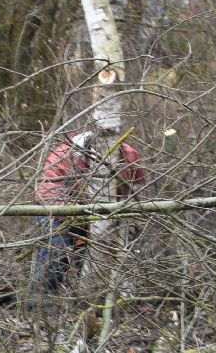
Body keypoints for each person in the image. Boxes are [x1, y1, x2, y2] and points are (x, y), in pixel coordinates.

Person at [31, 105, 145, 295]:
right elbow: (47, 191)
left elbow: (137, 191)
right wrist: (75, 212)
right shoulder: (67, 153)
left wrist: (125, 219)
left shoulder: (128, 156)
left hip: (106, 217)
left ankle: (99, 298)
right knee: (58, 247)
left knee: (111, 251)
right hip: (62, 215)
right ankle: (41, 298)